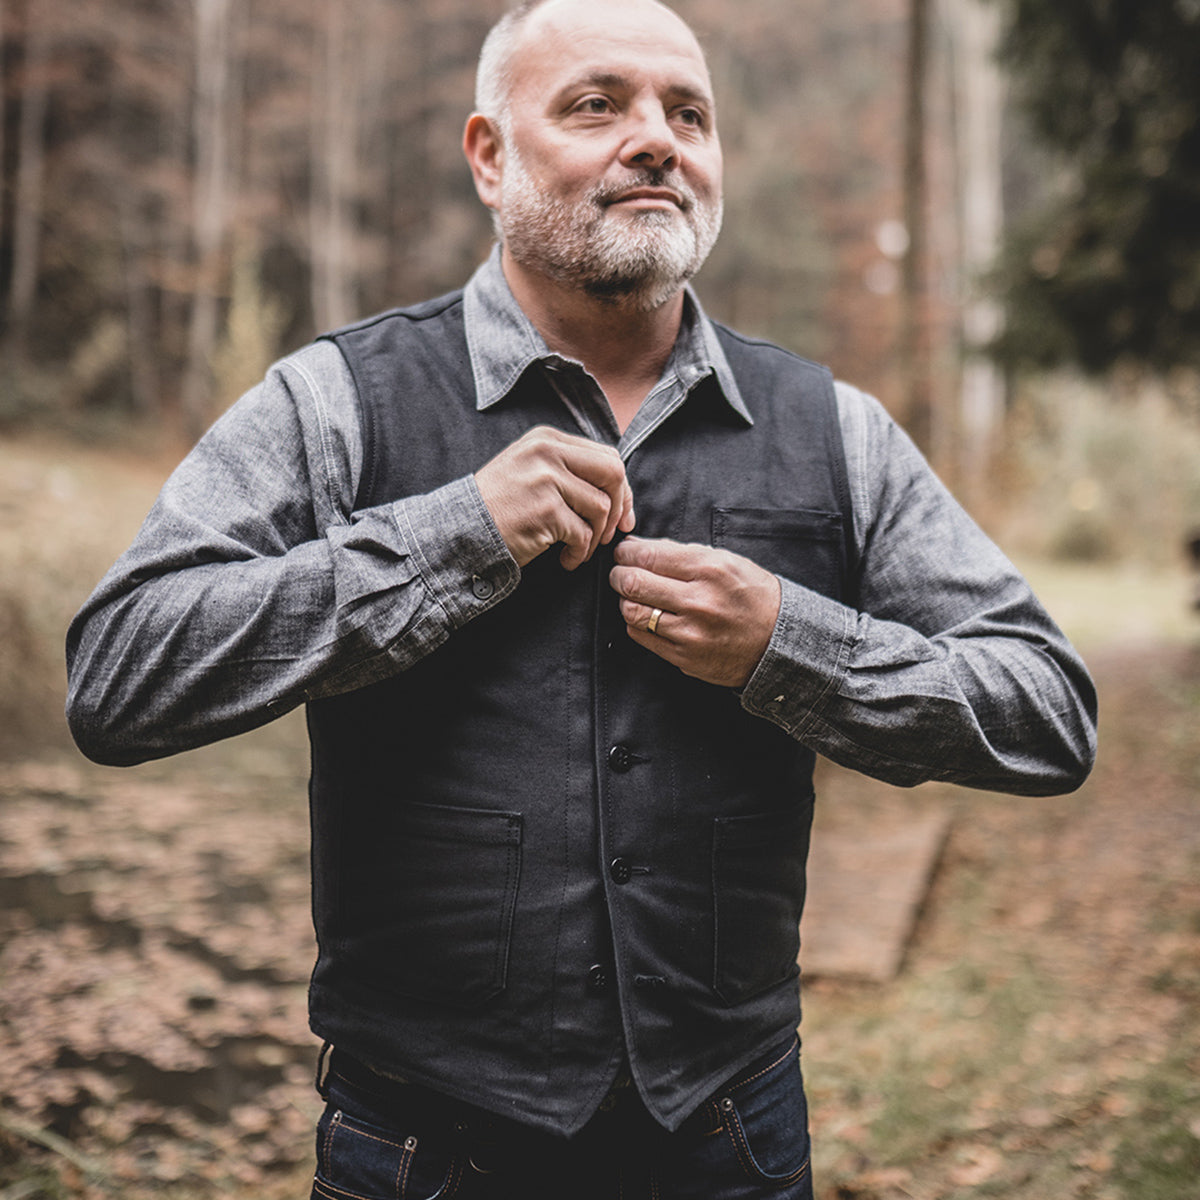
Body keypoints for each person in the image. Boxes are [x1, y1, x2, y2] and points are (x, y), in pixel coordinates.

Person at [65, 0, 1098, 1195]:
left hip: (731, 1141)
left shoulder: (837, 433)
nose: (658, 138)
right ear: (490, 156)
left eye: (689, 113)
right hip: (419, 1150)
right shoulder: (333, 402)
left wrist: (789, 645)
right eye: (598, 104)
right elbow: (118, 676)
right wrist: (453, 535)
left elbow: (1047, 711)